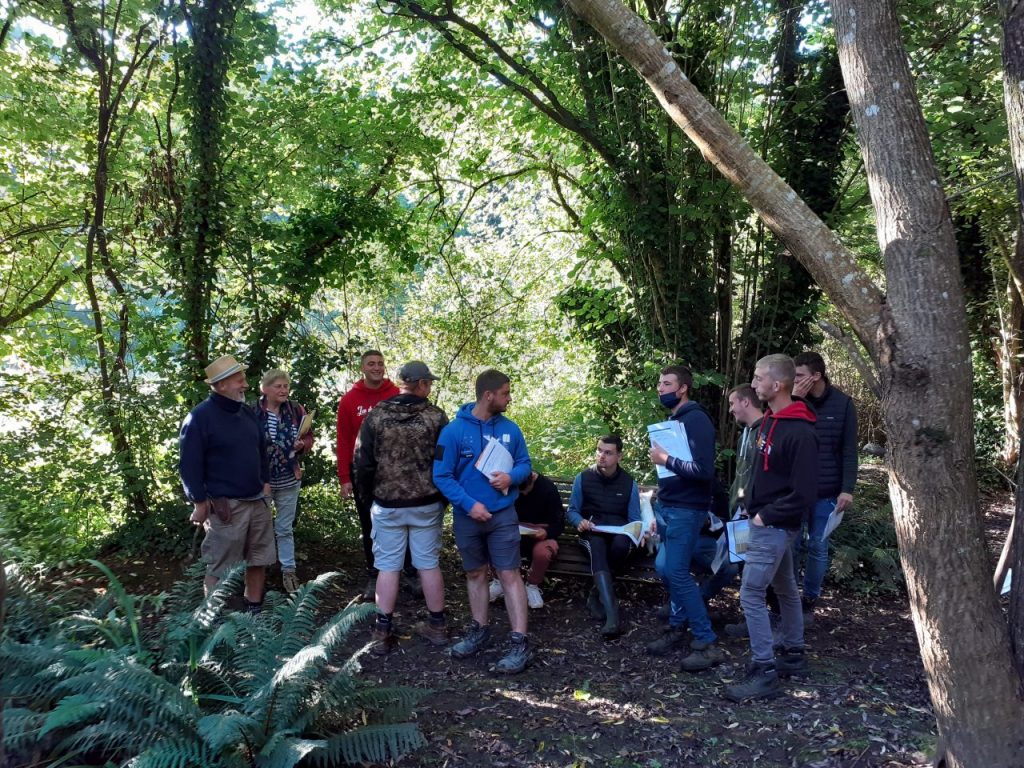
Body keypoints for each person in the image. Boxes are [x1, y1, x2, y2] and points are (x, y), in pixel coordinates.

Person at [724, 354, 818, 702]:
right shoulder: (770, 422)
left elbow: (805, 492)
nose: (754, 383)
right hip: (764, 521)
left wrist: (764, 517)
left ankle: (764, 671)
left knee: (750, 593)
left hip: (774, 526)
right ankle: (793, 653)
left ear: (777, 385)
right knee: (786, 589)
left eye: (759, 377)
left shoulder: (800, 433)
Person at [433, 369, 534, 674]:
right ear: (488, 395)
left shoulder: (511, 430)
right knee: (475, 574)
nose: (509, 398)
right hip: (468, 518)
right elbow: (442, 475)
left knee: (509, 575)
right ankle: (479, 631)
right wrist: (468, 504)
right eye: (505, 393)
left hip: (503, 515)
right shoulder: (453, 432)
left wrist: (512, 476)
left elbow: (525, 464)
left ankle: (519, 643)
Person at [353, 361, 450, 655]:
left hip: (388, 505)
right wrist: (442, 498)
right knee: (428, 563)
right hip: (426, 504)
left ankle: (382, 630)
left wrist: (369, 499)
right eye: (428, 383)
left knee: (388, 566)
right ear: (419, 384)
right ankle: (437, 626)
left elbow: (362, 463)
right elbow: (446, 461)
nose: (430, 387)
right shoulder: (436, 417)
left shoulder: (377, 416)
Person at [645, 365, 724, 672]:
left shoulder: (697, 420)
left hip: (686, 510)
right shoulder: (675, 420)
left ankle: (706, 640)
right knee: (665, 568)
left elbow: (703, 472)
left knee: (676, 572)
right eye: (659, 383)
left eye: (666, 384)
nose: (660, 388)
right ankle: (678, 625)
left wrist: (665, 459)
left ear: (683, 389)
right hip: (669, 507)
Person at [179, 355, 274, 611]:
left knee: (258, 559)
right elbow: (189, 465)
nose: (245, 384)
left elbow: (260, 449)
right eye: (239, 380)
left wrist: (265, 483)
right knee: (221, 566)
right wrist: (198, 501)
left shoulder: (245, 412)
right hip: (226, 507)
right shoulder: (200, 417)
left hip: (257, 501)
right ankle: (214, 619)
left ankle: (254, 609)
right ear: (221, 385)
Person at [792, 351, 858, 621]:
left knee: (818, 546)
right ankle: (788, 598)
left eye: (799, 376)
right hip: (794, 490)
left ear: (816, 376)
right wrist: (796, 400)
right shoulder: (792, 402)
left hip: (827, 490)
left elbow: (849, 451)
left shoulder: (843, 404)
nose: (793, 380)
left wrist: (847, 488)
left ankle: (809, 598)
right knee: (791, 545)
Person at [336, 350, 400, 600]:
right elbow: (343, 440)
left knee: (398, 521)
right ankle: (374, 573)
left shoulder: (395, 395)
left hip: (395, 471)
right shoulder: (350, 400)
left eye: (380, 363)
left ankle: (406, 571)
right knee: (370, 523)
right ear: (362, 368)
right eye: (371, 364)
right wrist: (344, 477)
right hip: (363, 472)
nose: (376, 367)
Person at [567, 435, 644, 638]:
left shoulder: (629, 483)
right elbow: (572, 511)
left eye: (608, 453)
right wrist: (579, 521)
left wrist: (637, 531)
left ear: (619, 456)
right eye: (599, 451)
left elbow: (635, 519)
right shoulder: (583, 478)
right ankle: (613, 618)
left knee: (621, 545)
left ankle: (595, 592)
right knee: (598, 545)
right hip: (592, 533)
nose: (602, 456)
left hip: (618, 533)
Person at [256, 370, 314, 594]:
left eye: (285, 386)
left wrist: (303, 444)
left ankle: (288, 571)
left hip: (290, 478)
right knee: (259, 528)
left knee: (284, 528)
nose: (283, 390)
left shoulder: (295, 409)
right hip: (261, 481)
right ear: (265, 389)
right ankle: (258, 572)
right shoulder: (253, 412)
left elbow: (309, 435)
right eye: (278, 386)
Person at [489, 470, 564, 609]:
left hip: (539, 535)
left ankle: (532, 585)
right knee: (491, 540)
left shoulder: (548, 489)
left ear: (533, 478)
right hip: (512, 530)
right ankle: (499, 582)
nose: (523, 494)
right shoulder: (507, 484)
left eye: (526, 491)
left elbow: (559, 524)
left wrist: (546, 532)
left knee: (543, 552)